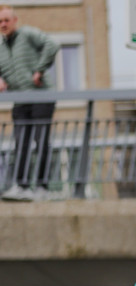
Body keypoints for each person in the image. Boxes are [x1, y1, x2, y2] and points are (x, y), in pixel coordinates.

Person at [0, 4, 59, 201]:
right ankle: (22, 186)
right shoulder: (0, 47)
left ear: (15, 21)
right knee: (21, 143)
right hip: (21, 99)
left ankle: (42, 188)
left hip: (41, 95)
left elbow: (52, 44)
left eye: (6, 20)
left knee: (40, 141)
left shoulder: (27, 34)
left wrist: (39, 70)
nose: (3, 24)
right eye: (0, 21)